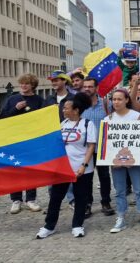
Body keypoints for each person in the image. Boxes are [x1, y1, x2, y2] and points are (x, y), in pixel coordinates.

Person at [35, 93, 96, 239]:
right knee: (55, 197)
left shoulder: (88, 124)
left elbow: (91, 147)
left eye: (66, 108)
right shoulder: (63, 124)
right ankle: (49, 226)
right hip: (63, 169)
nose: (63, 110)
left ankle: (77, 225)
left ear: (76, 110)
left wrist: (83, 165)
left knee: (81, 198)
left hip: (82, 168)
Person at [104, 89, 140, 233]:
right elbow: (107, 143)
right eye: (114, 99)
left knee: (139, 189)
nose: (116, 102)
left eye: (119, 99)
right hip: (116, 162)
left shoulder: (137, 116)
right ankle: (121, 217)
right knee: (119, 191)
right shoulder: (108, 119)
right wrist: (111, 160)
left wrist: (135, 158)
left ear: (126, 100)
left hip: (134, 160)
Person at [1, 73, 45, 214]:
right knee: (15, 170)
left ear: (33, 85)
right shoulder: (12, 99)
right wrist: (16, 109)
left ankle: (30, 199)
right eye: (22, 83)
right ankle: (16, 200)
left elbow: (43, 119)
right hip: (14, 139)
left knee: (31, 170)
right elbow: (2, 118)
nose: (23, 86)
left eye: (26, 83)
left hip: (31, 140)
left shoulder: (38, 100)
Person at [80, 77, 115, 216]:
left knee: (104, 176)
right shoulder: (80, 105)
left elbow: (115, 121)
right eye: (85, 87)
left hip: (102, 147)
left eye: (90, 86)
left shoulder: (107, 104)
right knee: (87, 178)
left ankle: (105, 202)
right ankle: (87, 203)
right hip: (86, 149)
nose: (87, 89)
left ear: (96, 88)